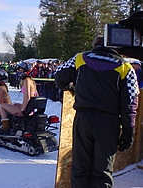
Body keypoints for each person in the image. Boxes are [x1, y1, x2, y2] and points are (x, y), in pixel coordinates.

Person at [54, 36, 139, 188]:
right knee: (102, 171)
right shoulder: (125, 67)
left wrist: (74, 88)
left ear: (96, 45)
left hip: (83, 118)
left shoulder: (80, 58)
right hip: (108, 121)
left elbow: (59, 76)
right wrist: (128, 132)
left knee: (80, 168)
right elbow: (130, 104)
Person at [0, 61, 39, 132]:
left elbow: (28, 97)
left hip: (26, 110)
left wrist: (23, 109)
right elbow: (36, 96)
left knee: (2, 106)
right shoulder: (32, 81)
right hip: (31, 109)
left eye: (21, 70)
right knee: (15, 104)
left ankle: (5, 126)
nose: (19, 71)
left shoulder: (27, 80)